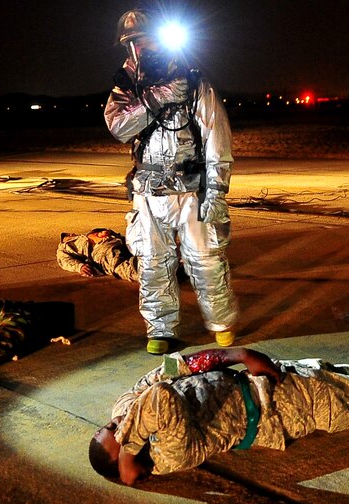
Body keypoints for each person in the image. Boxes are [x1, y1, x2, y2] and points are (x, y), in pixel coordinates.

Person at [89, 331, 349, 486]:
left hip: (268, 378)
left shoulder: (128, 414)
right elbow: (161, 398)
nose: (121, 419)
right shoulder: (168, 455)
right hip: (283, 413)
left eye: (114, 422)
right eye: (121, 433)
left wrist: (238, 353)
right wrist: (128, 448)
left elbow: (170, 369)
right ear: (129, 456)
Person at [104, 8, 238, 355]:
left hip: (192, 190)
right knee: (151, 264)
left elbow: (216, 141)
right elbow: (119, 128)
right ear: (128, 47)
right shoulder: (126, 87)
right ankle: (160, 329)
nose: (143, 46)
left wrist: (217, 193)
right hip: (149, 194)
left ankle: (221, 323)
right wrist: (159, 96)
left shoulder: (195, 85)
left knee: (206, 259)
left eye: (148, 38)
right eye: (136, 41)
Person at [56, 228, 139, 282]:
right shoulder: (63, 247)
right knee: (116, 265)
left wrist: (103, 233)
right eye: (68, 235)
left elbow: (104, 231)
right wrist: (80, 267)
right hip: (100, 249)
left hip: (116, 240)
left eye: (71, 233)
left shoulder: (84, 236)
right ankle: (142, 271)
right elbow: (64, 261)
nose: (72, 234)